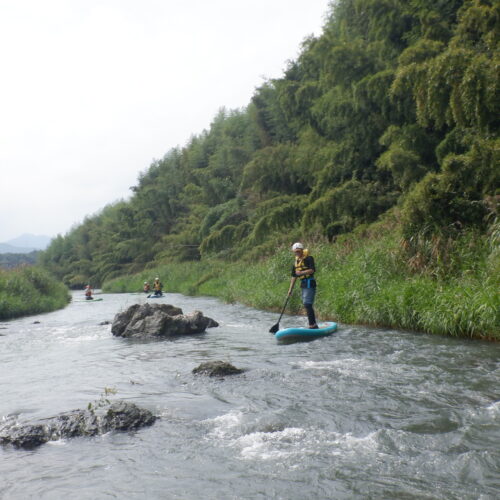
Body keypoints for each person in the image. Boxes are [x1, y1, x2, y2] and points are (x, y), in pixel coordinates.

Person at [288, 242, 318, 329]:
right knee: (307, 304)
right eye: (295, 251)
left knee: (307, 304)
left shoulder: (309, 258)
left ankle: (312, 325)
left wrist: (301, 272)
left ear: (302, 250)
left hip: (310, 282)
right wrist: (290, 290)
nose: (297, 253)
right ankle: (313, 324)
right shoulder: (296, 262)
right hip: (303, 284)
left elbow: (312, 270)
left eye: (298, 251)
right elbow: (294, 276)